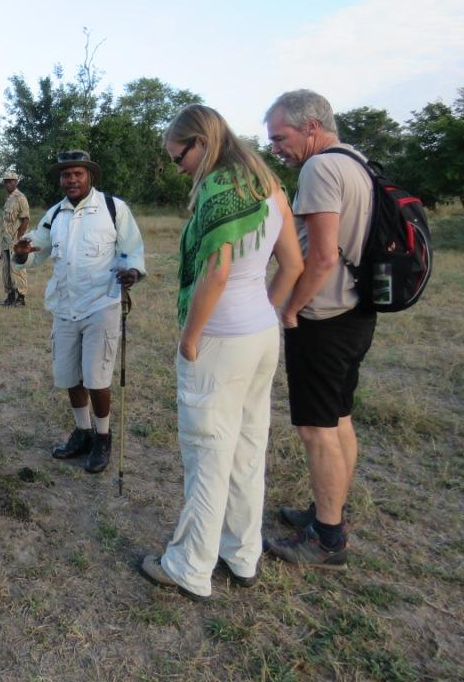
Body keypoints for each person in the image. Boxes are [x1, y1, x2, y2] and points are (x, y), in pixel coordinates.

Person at [138, 105, 303, 600]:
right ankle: (241, 553)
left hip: (220, 341)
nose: (178, 167)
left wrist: (190, 337)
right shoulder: (268, 183)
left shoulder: (219, 187)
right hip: (260, 337)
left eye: (177, 156)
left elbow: (217, 272)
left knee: (208, 453)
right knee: (248, 449)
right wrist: (263, 311)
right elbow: (293, 264)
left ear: (200, 142)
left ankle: (190, 566)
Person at [263, 89, 376, 569]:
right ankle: (329, 509)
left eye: (280, 137)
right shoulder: (357, 161)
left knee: (315, 428)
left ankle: (328, 537)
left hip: (324, 317)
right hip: (355, 312)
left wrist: (291, 308)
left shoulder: (320, 168)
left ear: (311, 126)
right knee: (339, 417)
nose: (276, 148)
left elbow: (323, 255)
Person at [14, 150, 145, 473]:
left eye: (78, 174)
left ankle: (103, 437)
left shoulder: (114, 209)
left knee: (97, 378)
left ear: (90, 176)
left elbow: (133, 251)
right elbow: (33, 254)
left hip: (101, 304)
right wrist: (20, 254)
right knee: (69, 375)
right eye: (66, 175)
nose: (71, 180)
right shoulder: (54, 214)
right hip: (64, 306)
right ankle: (82, 432)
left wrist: (133, 273)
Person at [0, 169, 30, 306]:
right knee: (6, 270)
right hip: (5, 241)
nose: (8, 184)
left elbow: (25, 220)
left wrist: (20, 240)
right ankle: (10, 296)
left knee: (17, 269)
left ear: (16, 182)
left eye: (11, 182)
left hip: (16, 241)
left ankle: (21, 298)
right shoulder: (9, 199)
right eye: (6, 182)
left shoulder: (20, 198)